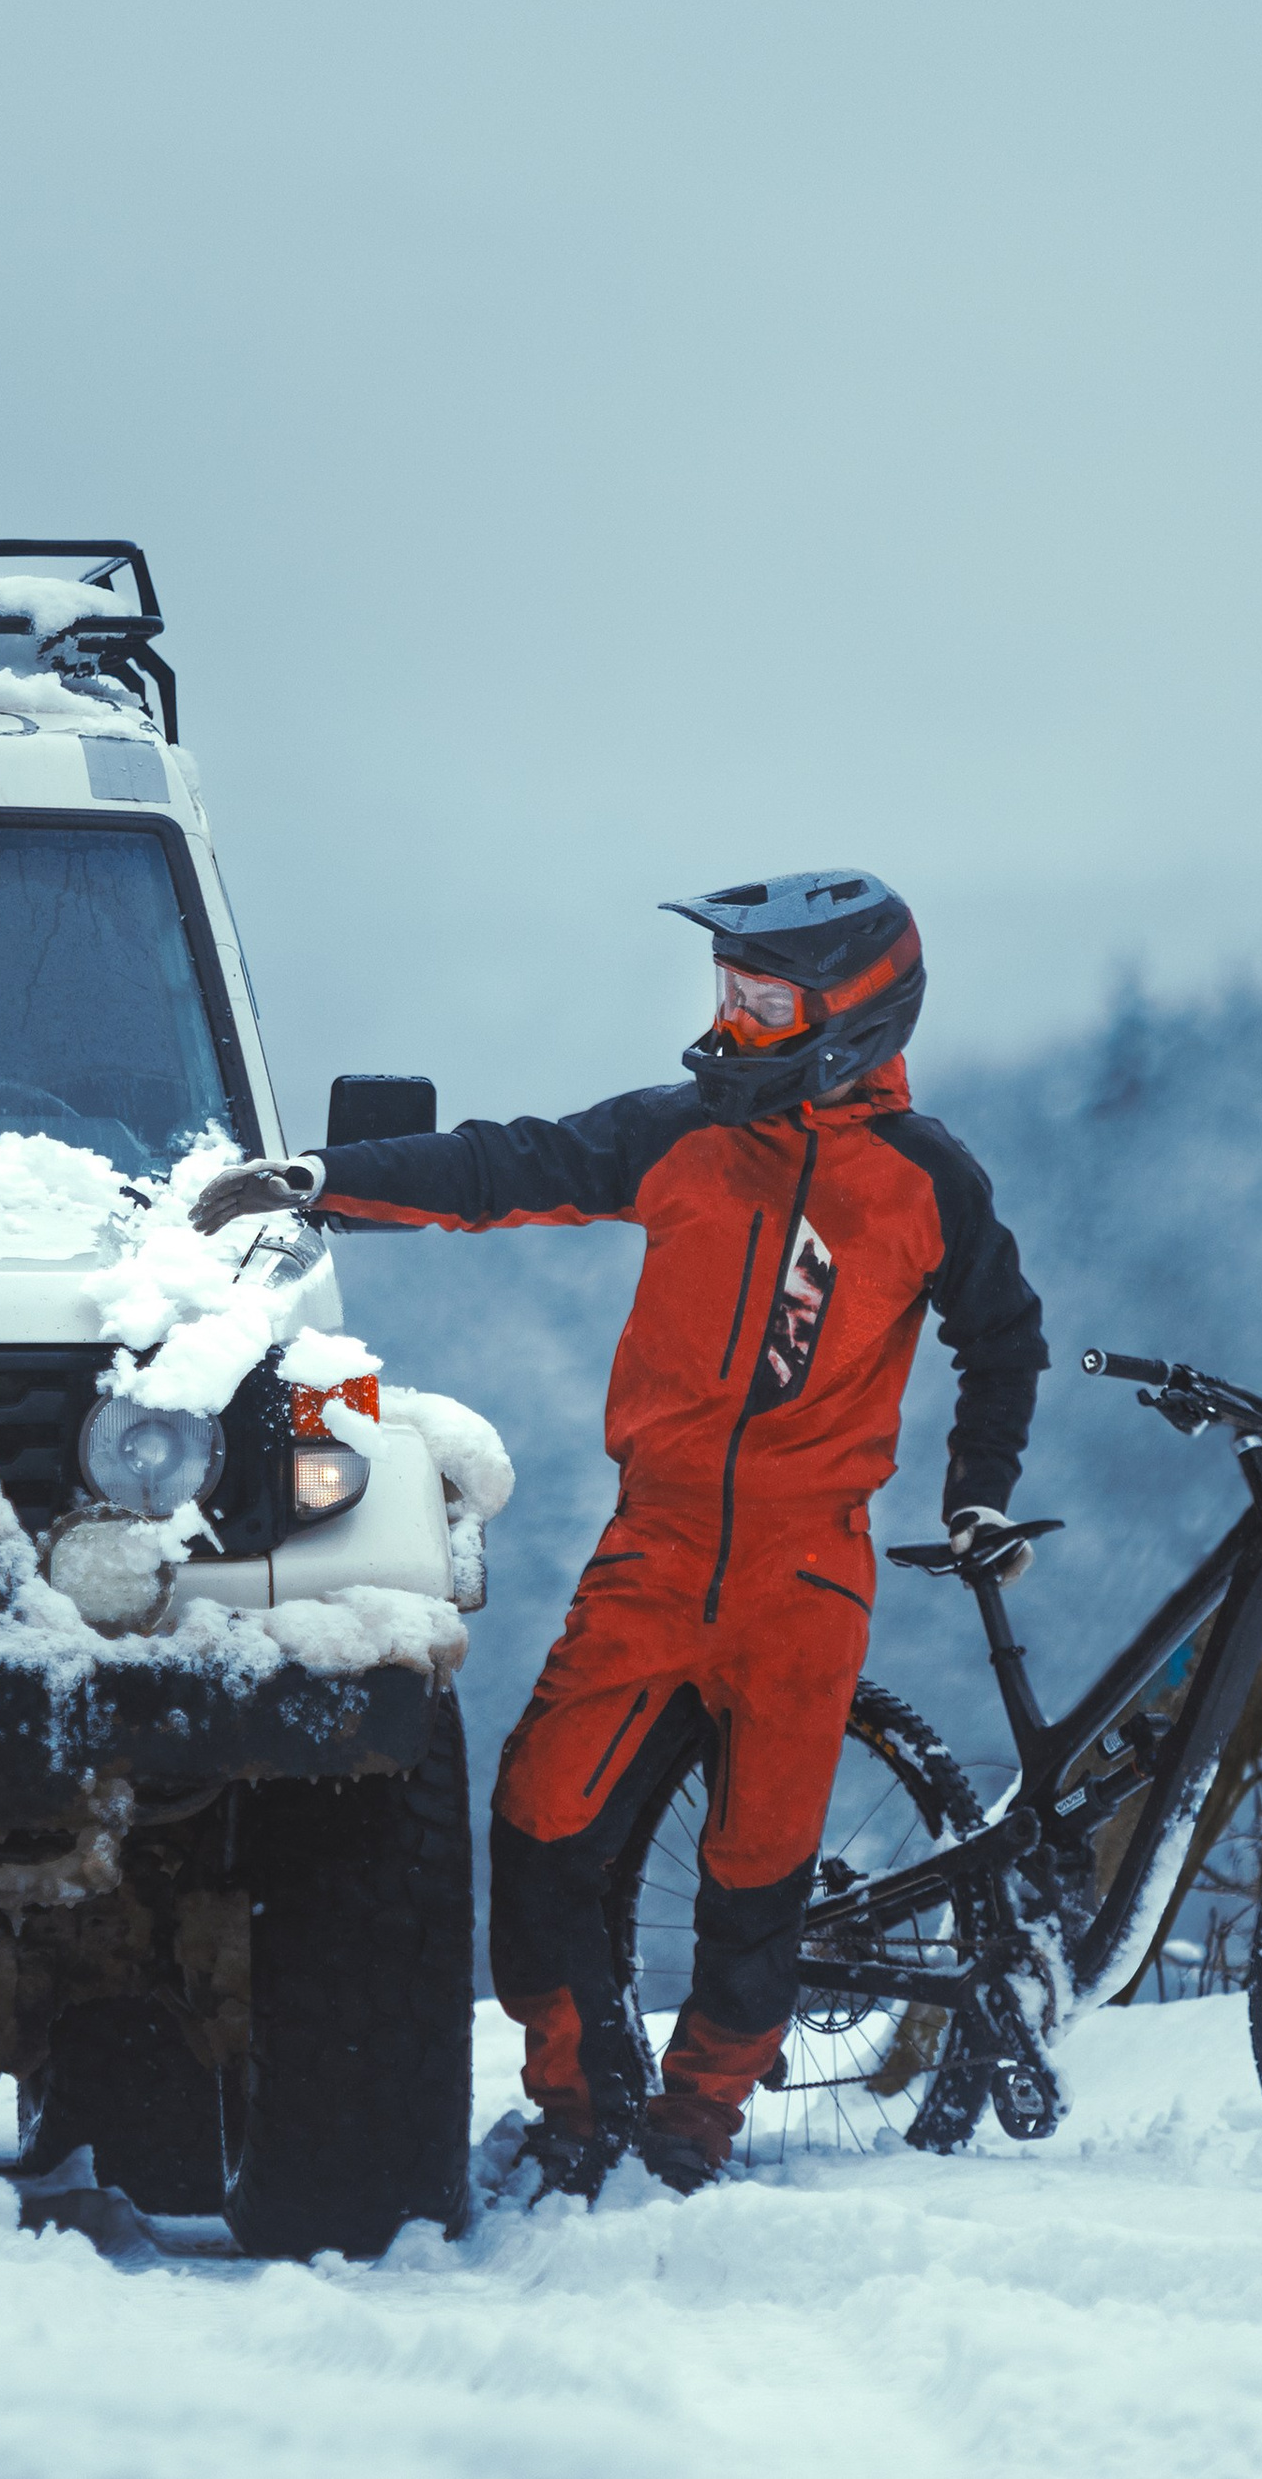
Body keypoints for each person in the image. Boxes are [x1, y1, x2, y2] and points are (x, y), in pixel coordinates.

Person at [192, 871, 1046, 2197]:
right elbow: (505, 1163)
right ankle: (582, 2117)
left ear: (854, 1018)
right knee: (540, 1829)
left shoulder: (927, 1182)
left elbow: (1004, 1339)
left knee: (757, 1878)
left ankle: (692, 2133)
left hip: (807, 1570)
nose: (734, 1015)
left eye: (767, 996)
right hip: (648, 1559)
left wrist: (976, 1489)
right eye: (728, 990)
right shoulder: (685, 1135)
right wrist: (325, 1181)